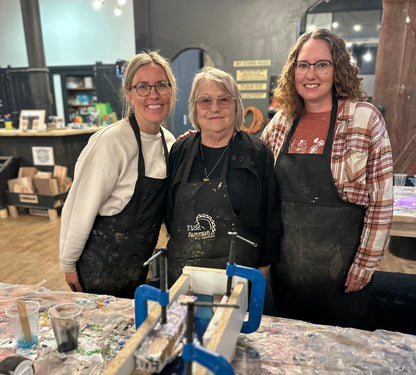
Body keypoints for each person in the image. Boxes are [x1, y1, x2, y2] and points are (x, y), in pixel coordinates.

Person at [261, 29, 394, 327]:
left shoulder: (365, 120)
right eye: (303, 65)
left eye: (322, 64)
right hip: (287, 273)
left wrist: (365, 265)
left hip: (344, 276)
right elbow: (257, 183)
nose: (311, 74)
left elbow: (381, 203)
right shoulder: (280, 124)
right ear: (293, 71)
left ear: (338, 70)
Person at [59, 51, 177, 298]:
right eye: (142, 86)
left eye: (161, 85)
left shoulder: (169, 143)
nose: (153, 94)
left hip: (138, 268)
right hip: (98, 271)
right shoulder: (111, 142)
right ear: (129, 94)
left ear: (171, 91)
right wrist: (68, 263)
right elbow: (79, 208)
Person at [166, 66, 280, 287]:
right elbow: (170, 213)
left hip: (238, 275)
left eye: (223, 99)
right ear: (195, 107)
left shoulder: (257, 153)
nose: (214, 108)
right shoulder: (179, 151)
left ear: (236, 105)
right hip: (184, 276)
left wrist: (263, 271)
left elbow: (271, 217)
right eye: (205, 101)